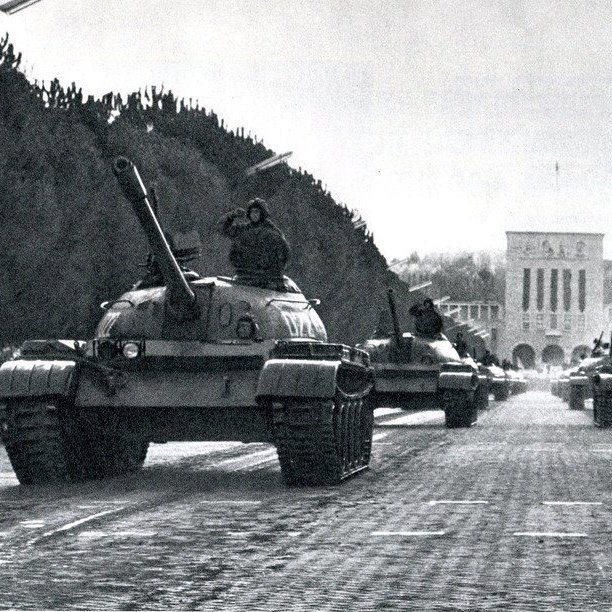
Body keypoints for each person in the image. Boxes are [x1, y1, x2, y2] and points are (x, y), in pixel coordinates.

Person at [218, 198, 290, 289]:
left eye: (256, 212)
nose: (254, 215)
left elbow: (284, 253)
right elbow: (222, 228)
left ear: (262, 213)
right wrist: (232, 216)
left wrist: (275, 274)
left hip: (266, 280)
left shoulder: (272, 232)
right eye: (252, 212)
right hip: (244, 276)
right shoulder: (244, 230)